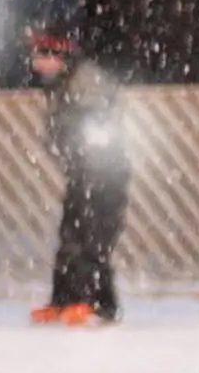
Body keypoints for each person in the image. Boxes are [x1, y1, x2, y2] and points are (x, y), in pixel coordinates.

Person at [31, 21, 134, 325]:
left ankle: (95, 302)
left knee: (94, 238)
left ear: (61, 55)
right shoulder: (59, 88)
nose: (39, 61)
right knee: (70, 235)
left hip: (106, 175)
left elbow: (102, 120)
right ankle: (63, 300)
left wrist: (90, 152)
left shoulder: (87, 83)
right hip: (81, 174)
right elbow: (57, 135)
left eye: (45, 53)